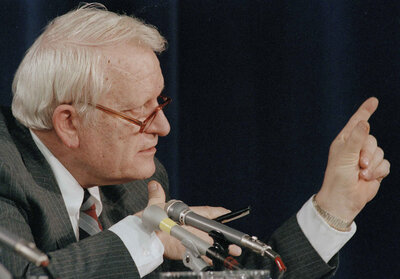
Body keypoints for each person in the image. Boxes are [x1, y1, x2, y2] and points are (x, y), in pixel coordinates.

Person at [0, 3, 389, 279]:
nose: (164, 127)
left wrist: (333, 208)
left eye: (160, 103)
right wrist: (145, 233)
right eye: (141, 112)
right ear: (68, 123)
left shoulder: (134, 188)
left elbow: (241, 277)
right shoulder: (6, 170)